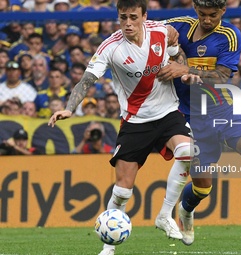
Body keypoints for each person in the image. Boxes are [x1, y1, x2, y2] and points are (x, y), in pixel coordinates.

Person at [48, 1, 195, 254]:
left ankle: (164, 214)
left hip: (168, 113)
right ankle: (108, 248)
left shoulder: (160, 31)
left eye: (133, 17)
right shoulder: (110, 47)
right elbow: (86, 81)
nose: (128, 23)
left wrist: (178, 66)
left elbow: (177, 53)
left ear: (144, 16)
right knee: (123, 191)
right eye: (123, 17)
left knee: (187, 151)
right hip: (135, 121)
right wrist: (69, 108)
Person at [157, 0, 241, 252]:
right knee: (202, 188)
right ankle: (186, 210)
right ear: (195, 9)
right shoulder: (180, 25)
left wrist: (183, 68)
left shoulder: (230, 35)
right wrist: (163, 32)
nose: (207, 20)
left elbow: (221, 76)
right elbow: (146, 28)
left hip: (224, 108)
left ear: (223, 11)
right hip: (191, 118)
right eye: (202, 14)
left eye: (213, 15)